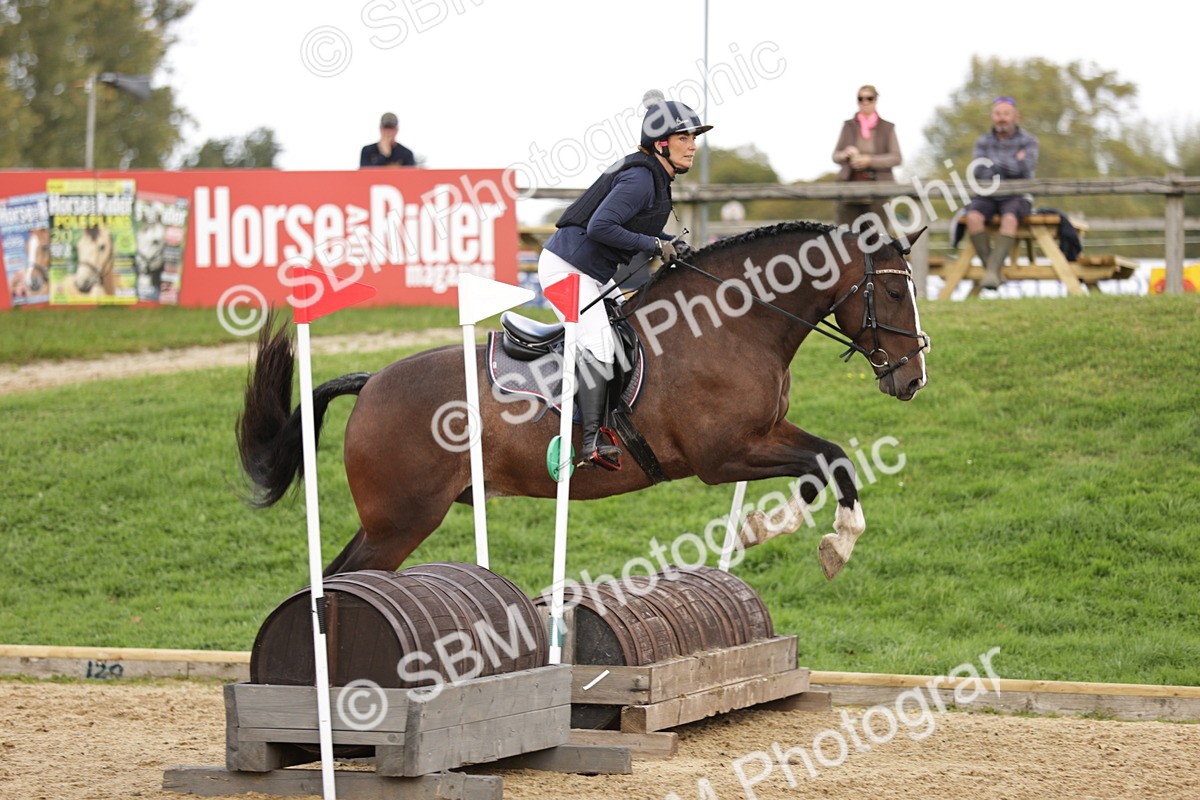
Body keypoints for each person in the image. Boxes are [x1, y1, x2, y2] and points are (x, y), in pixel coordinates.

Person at [537, 89, 711, 471]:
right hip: (565, 271)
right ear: (661, 144)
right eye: (685, 138)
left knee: (629, 328)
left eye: (694, 137)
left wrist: (667, 244)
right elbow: (601, 226)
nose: (693, 145)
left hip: (590, 273)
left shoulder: (656, 176)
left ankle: (612, 416)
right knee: (600, 344)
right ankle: (590, 442)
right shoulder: (639, 180)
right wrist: (654, 243)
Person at [963, 96, 1039, 290]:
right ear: (992, 116)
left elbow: (1025, 168)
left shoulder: (1029, 141)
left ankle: (990, 272)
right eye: (998, 114)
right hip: (987, 193)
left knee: (1010, 219)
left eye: (1006, 114)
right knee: (972, 217)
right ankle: (994, 270)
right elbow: (979, 170)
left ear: (1016, 117)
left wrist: (994, 163)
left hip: (1018, 195)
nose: (1001, 118)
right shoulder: (982, 141)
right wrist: (1013, 161)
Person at [831, 85, 902, 231]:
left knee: (877, 240)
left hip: (877, 191)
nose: (865, 102)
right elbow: (835, 156)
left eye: (869, 98)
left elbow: (896, 158)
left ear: (875, 100)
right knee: (845, 238)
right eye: (860, 98)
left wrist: (870, 160)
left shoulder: (887, 127)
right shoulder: (848, 126)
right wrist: (845, 154)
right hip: (849, 190)